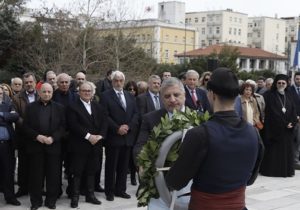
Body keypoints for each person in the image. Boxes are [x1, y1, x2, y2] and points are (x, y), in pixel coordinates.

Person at [166, 68, 263, 210]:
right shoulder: (253, 132)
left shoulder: (200, 134)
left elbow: (175, 181)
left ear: (211, 94)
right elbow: (251, 179)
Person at [23, 83, 66, 210]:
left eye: (49, 91)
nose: (47, 94)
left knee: (53, 176)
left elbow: (63, 127)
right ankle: (36, 202)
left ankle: (51, 201)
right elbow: (25, 127)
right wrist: (37, 136)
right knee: (36, 176)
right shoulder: (30, 108)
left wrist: (53, 138)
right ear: (39, 92)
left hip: (53, 147)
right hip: (36, 147)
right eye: (44, 91)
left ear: (52, 93)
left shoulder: (59, 108)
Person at [100, 70, 139, 201]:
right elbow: (104, 115)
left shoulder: (130, 96)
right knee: (111, 166)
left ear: (124, 81)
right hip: (113, 137)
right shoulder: (105, 96)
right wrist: (117, 128)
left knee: (123, 167)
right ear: (112, 82)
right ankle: (109, 192)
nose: (118, 83)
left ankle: (120, 190)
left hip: (127, 137)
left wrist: (129, 126)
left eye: (121, 80)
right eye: (116, 80)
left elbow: (135, 114)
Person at [67, 82, 107, 208]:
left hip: (95, 145)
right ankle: (75, 197)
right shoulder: (72, 106)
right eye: (84, 91)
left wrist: (100, 136)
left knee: (91, 171)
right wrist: (89, 136)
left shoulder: (97, 106)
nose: (87, 93)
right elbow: (73, 125)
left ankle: (90, 195)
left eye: (89, 91)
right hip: (79, 145)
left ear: (92, 92)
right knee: (77, 172)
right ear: (79, 92)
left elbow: (104, 122)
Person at [133, 77, 186, 159]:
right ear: (161, 98)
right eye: (167, 96)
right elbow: (140, 147)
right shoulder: (149, 119)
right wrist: (141, 164)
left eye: (176, 95)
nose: (172, 100)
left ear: (184, 95)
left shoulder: (199, 118)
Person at [260, 74, 298, 177]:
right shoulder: (269, 95)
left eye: (283, 83)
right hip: (274, 129)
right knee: (274, 152)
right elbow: (272, 112)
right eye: (279, 83)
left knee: (286, 150)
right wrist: (285, 123)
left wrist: (292, 122)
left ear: (286, 84)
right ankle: (273, 171)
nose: (281, 85)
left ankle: (286, 171)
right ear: (276, 84)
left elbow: (293, 110)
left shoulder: (289, 95)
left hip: (287, 130)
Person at [13, 72, 39, 198]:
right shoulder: (17, 98)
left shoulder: (42, 94)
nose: (29, 84)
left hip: (39, 137)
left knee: (37, 164)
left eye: (31, 82)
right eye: (26, 82)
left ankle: (36, 188)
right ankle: (23, 188)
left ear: (35, 82)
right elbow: (16, 116)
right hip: (23, 136)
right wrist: (28, 129)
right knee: (23, 164)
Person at [0, 86, 21, 206]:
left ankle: (10, 197)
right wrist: (5, 117)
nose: (0, 95)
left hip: (6, 145)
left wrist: (2, 114)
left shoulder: (7, 104)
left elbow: (15, 116)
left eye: (1, 93)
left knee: (8, 172)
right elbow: (9, 117)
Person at [288, 72, 300, 169]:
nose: (298, 81)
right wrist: (296, 116)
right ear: (294, 79)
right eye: (297, 79)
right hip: (294, 119)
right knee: (294, 140)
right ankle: (294, 160)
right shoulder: (289, 90)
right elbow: (289, 105)